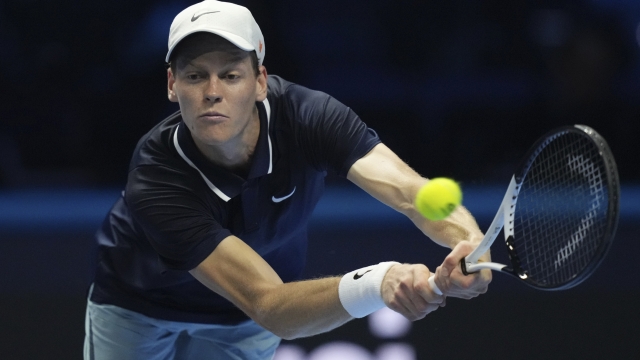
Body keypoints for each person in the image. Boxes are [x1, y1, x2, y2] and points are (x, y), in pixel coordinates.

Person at [84, 1, 491, 359]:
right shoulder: (156, 176)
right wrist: (379, 282)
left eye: (230, 75)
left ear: (260, 81)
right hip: (137, 306)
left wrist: (468, 245)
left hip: (240, 322)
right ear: (173, 85)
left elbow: (411, 192)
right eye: (194, 76)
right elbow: (268, 304)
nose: (212, 92)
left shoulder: (310, 117)